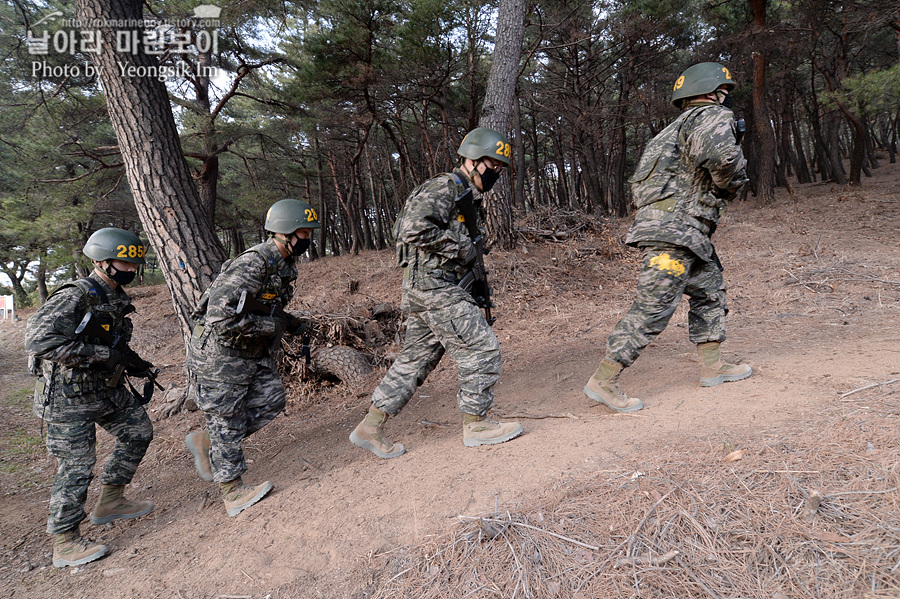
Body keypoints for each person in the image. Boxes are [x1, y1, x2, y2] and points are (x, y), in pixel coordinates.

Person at [584, 62, 752, 412]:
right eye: (723, 91)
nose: (725, 97)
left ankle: (712, 366)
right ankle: (603, 380)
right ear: (711, 92)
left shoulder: (667, 133)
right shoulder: (712, 116)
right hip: (676, 233)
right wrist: (733, 185)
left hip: (682, 232)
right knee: (653, 307)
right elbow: (723, 160)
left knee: (709, 290)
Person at [350, 127, 523, 459]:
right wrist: (460, 249)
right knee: (480, 347)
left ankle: (370, 427)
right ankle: (477, 424)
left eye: (501, 168)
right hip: (435, 289)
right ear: (472, 160)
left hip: (430, 289)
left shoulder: (466, 196)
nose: (497, 173)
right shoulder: (444, 187)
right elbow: (410, 228)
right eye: (493, 165)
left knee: (416, 360)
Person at [25, 228, 155, 568]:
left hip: (101, 390)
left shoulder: (113, 295)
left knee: (139, 432)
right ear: (100, 261)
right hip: (66, 399)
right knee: (77, 466)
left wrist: (134, 363)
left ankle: (111, 500)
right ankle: (65, 541)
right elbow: (39, 340)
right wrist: (99, 354)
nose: (130, 267)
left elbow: (112, 343)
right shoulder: (76, 295)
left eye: (133, 262)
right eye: (123, 261)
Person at [184, 199, 318, 516]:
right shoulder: (253, 264)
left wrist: (290, 322)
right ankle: (232, 492)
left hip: (248, 350)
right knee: (227, 419)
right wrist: (273, 325)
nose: (308, 238)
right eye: (304, 232)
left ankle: (209, 441)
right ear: (285, 233)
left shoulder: (283, 265)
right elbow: (220, 318)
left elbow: (264, 307)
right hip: (219, 353)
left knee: (271, 400)